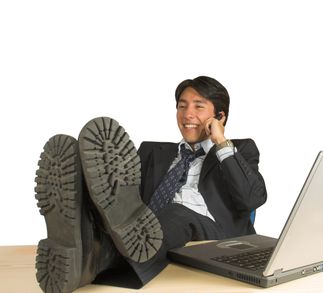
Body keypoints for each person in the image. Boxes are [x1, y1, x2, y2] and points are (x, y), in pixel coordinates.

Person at [34, 76, 267, 292]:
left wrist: (221, 142)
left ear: (220, 116)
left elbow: (252, 198)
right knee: (107, 202)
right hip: (148, 233)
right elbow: (121, 204)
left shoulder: (240, 149)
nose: (187, 114)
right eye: (182, 105)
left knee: (177, 212)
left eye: (198, 106)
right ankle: (86, 255)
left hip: (214, 234)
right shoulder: (152, 151)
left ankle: (97, 258)